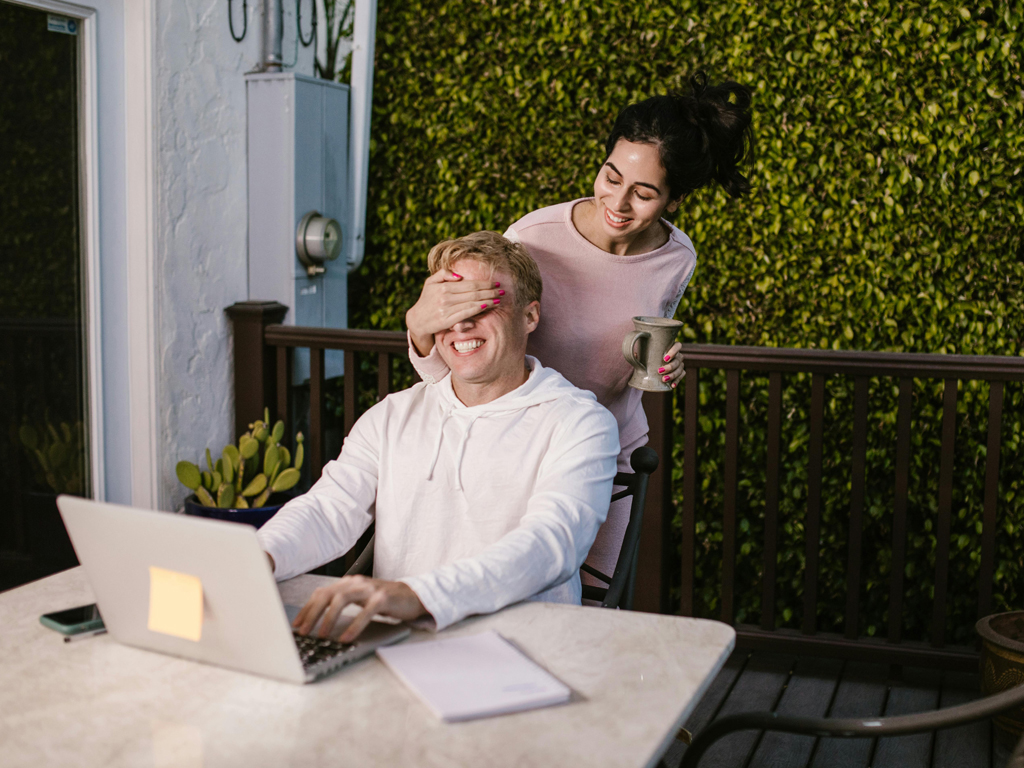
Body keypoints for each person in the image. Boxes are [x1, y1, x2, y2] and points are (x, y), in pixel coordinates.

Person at [404, 73, 755, 579]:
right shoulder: (533, 238)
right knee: (510, 595)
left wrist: (665, 362)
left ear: (674, 200)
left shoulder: (678, 259)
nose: (618, 203)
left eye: (644, 193)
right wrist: (419, 333)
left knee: (594, 603)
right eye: (611, 177)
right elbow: (470, 350)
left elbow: (636, 341)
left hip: (613, 454)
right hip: (522, 453)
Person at [258, 231, 619, 643]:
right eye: (448, 306)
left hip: (524, 650)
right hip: (396, 644)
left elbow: (552, 543)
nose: (461, 323)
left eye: (482, 304)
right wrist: (257, 558)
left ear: (530, 315)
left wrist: (418, 595)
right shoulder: (392, 415)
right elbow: (328, 510)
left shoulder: (579, 422)